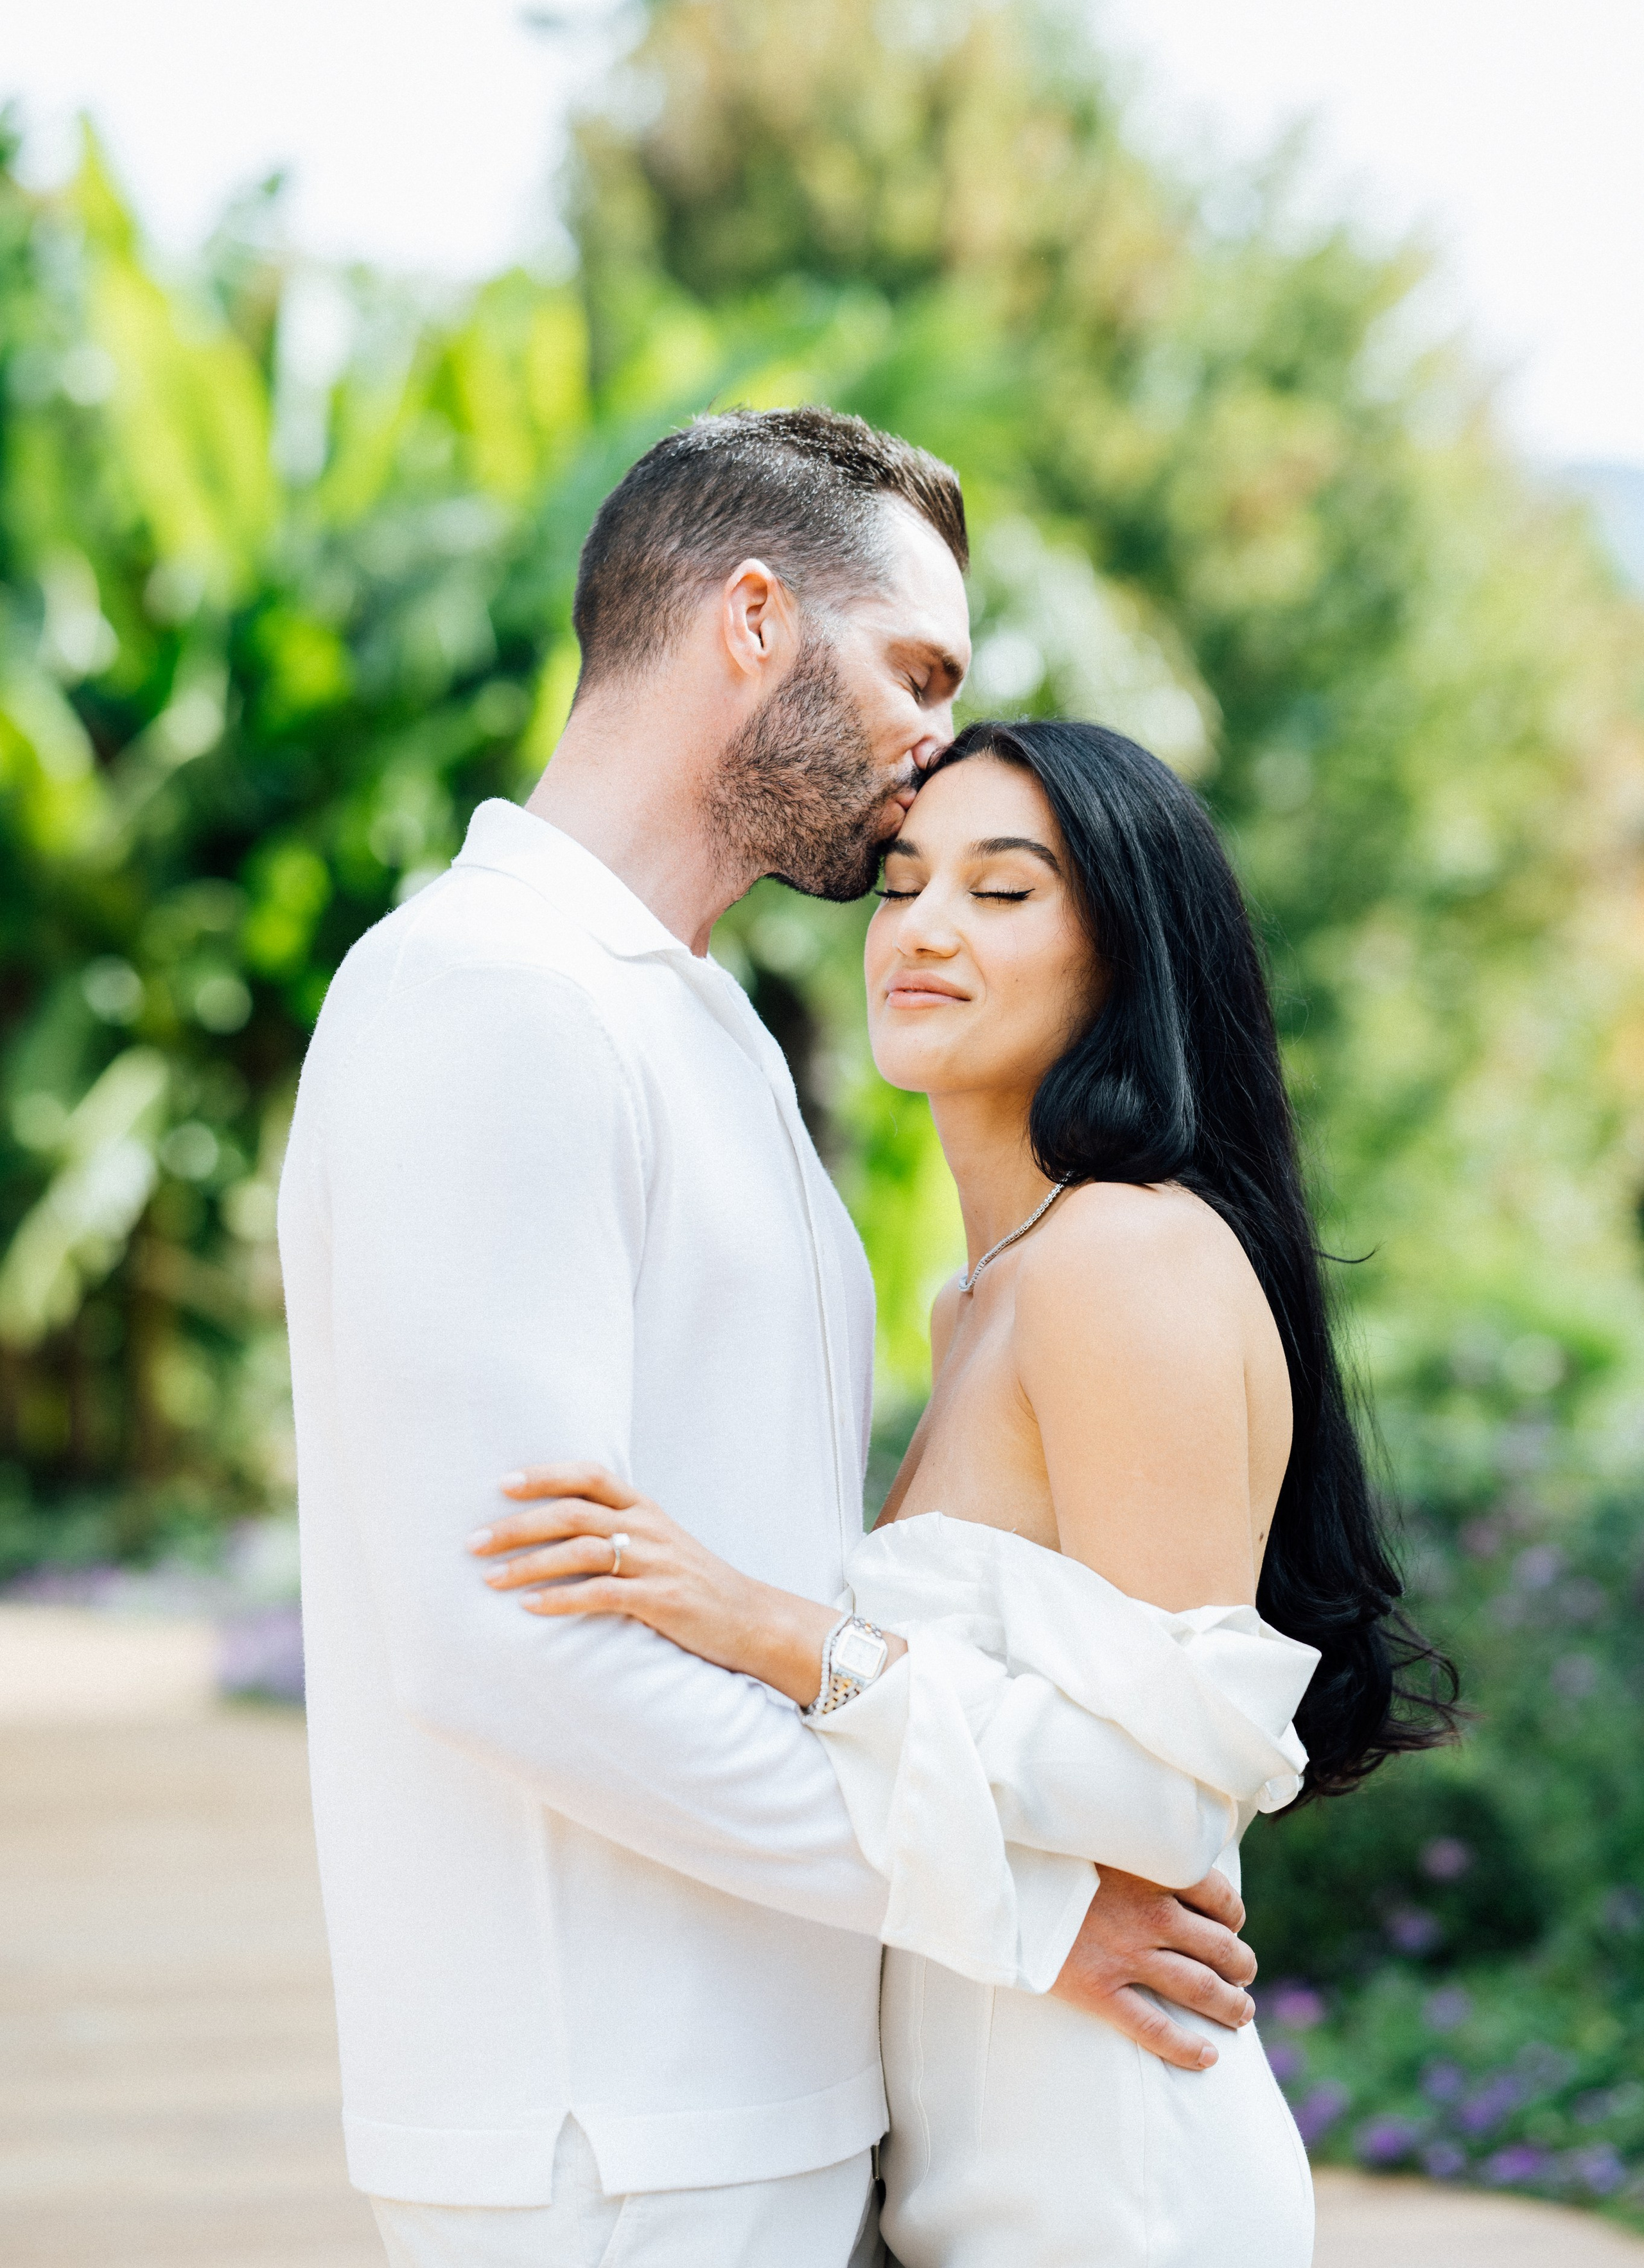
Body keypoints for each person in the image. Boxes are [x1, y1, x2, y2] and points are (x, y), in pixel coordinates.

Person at [279, 412, 1266, 2268]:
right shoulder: (488, 998)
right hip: (607, 2130)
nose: (930, 747)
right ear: (752, 619)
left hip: (777, 2112)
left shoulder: (707, 1032)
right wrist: (1020, 1910)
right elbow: (508, 1645)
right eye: (916, 671)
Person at [473, 717, 1458, 2266]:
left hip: (1111, 2165)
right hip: (965, 2157)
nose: (923, 928)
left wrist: (770, 1628)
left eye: (1003, 894)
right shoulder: (977, 1299)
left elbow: (1170, 1791)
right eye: (902, 886)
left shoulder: (1122, 1259)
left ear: (1122, 955)